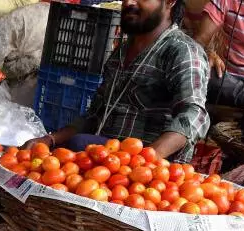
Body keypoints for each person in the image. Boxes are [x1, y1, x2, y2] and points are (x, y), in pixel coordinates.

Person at [25, 0, 209, 162]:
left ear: (169, 2)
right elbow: (94, 114)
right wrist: (50, 140)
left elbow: (194, 115)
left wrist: (146, 159)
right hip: (109, 159)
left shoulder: (182, 51)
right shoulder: (120, 52)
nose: (129, 2)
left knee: (78, 144)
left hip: (152, 170)